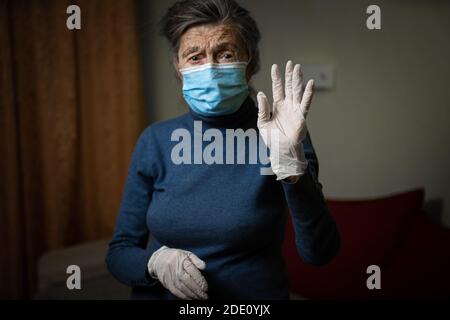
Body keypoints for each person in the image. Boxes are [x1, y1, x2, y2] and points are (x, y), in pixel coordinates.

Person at [106, 0, 340, 300]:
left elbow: (320, 253)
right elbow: (119, 253)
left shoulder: (284, 137)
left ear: (251, 62)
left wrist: (291, 166)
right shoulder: (154, 141)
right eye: (194, 56)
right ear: (177, 67)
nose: (210, 67)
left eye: (226, 54)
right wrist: (154, 263)